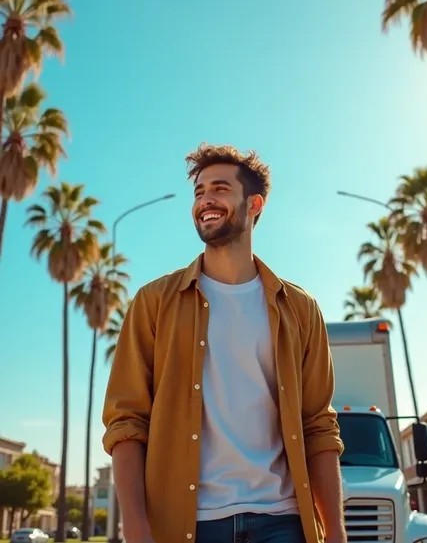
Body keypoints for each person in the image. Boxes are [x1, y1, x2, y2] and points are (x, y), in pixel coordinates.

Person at [102, 143, 345, 543]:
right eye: (198, 192)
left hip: (283, 521)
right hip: (188, 525)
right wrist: (137, 530)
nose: (205, 200)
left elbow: (318, 424)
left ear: (254, 204)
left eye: (219, 188)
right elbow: (127, 422)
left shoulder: (299, 309)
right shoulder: (154, 302)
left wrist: (335, 532)